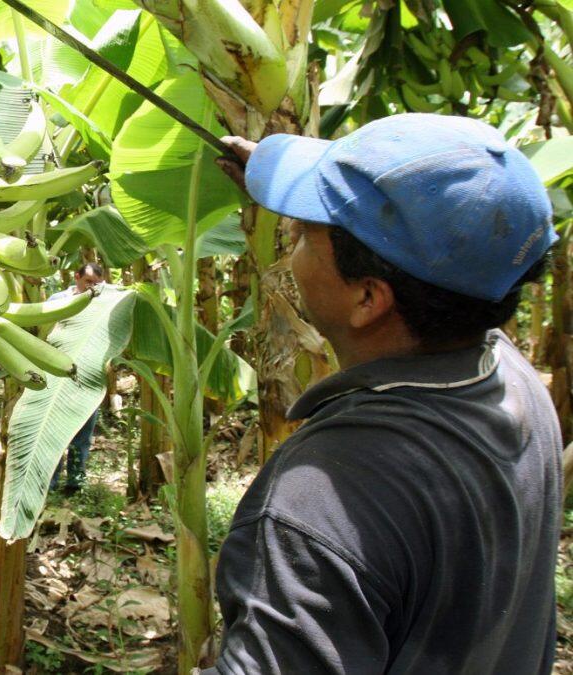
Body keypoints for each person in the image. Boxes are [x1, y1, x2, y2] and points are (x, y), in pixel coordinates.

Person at [201, 113, 561, 673]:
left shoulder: (325, 500)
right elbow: (458, 243)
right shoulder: (508, 375)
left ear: (368, 298)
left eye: (301, 234)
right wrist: (293, 180)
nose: (289, 242)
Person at [48, 262, 104, 494]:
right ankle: (49, 483)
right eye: (88, 281)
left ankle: (75, 482)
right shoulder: (56, 301)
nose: (91, 287)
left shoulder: (101, 304)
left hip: (87, 374)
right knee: (52, 432)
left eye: (96, 284)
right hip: (56, 372)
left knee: (82, 433)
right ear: (77, 277)